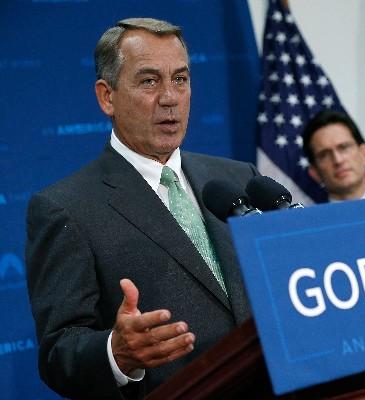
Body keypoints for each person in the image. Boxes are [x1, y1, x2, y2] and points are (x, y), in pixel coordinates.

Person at [25, 18, 258, 399]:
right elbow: (58, 352)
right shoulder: (65, 208)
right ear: (107, 97)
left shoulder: (237, 179)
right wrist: (117, 353)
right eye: (149, 81)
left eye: (180, 79)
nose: (170, 97)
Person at [302, 109, 365, 201]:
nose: (338, 160)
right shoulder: (310, 216)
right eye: (324, 155)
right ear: (315, 172)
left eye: (344, 148)